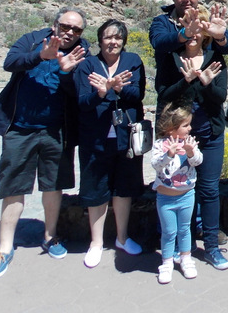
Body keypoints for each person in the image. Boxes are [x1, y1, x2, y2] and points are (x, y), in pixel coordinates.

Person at [0, 7, 89, 280]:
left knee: (53, 185)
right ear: (55, 24)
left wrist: (66, 73)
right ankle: (4, 248)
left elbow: (79, 91)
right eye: (66, 26)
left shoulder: (82, 52)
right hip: (20, 128)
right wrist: (40, 56)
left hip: (57, 130)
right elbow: (10, 63)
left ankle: (50, 236)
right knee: (13, 185)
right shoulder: (32, 40)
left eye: (76, 30)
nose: (70, 33)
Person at [149, 0, 228, 271]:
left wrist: (219, 34)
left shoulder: (214, 54)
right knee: (171, 188)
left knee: (209, 190)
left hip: (208, 132)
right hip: (174, 133)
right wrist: (185, 35)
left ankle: (210, 245)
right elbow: (160, 44)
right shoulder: (167, 35)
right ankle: (169, 250)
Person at [74, 19, 146, 268]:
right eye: (108, 37)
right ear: (100, 39)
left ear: (124, 41)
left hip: (126, 138)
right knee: (96, 190)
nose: (113, 42)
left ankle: (122, 238)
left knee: (123, 189)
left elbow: (138, 95)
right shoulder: (87, 65)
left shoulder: (133, 61)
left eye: (118, 37)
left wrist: (118, 88)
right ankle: (95, 243)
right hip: (95, 138)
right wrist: (102, 93)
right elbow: (82, 102)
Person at [151, 104, 203, 284]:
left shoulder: (190, 143)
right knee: (169, 231)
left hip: (186, 196)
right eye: (186, 125)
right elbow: (156, 164)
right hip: (165, 198)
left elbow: (198, 161)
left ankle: (186, 258)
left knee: (185, 229)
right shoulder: (160, 145)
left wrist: (190, 152)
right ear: (172, 128)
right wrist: (169, 154)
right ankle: (166, 263)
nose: (190, 128)